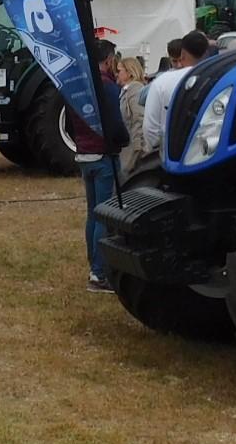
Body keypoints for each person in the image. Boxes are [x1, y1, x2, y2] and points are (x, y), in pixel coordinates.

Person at [76, 39, 130, 292]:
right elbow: (116, 123)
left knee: (92, 214)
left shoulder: (79, 86)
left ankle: (93, 264)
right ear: (109, 60)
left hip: (84, 154)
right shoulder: (107, 87)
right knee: (104, 216)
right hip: (103, 155)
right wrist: (123, 141)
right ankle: (98, 273)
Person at [142, 30, 211, 153]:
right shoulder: (217, 79)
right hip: (208, 151)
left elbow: (150, 128)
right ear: (206, 53)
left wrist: (159, 149)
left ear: (182, 54)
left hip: (171, 152)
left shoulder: (161, 82)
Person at [117, 56, 151, 178]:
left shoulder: (135, 90)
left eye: (119, 71)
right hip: (129, 147)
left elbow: (139, 119)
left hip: (134, 150)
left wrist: (138, 149)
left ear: (130, 73)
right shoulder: (127, 91)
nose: (116, 74)